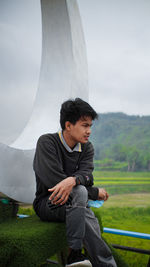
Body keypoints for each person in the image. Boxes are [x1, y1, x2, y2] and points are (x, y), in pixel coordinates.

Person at [33, 98, 117, 267]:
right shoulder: (47, 143)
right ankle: (77, 253)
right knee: (80, 193)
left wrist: (73, 180)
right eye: (84, 125)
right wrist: (94, 192)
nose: (89, 131)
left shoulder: (87, 147)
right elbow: (55, 184)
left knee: (80, 200)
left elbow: (88, 176)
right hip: (48, 203)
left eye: (90, 126)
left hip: (75, 204)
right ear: (68, 125)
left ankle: (78, 259)